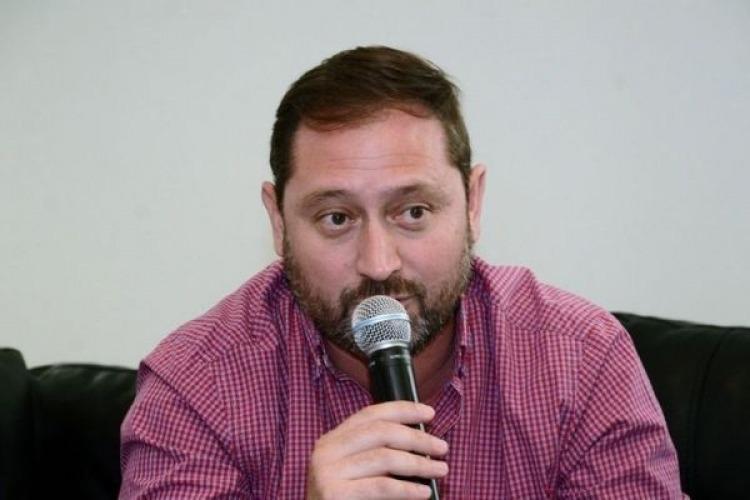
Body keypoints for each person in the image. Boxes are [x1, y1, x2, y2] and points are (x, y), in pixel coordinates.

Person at [119, 46, 683, 499]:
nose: (378, 263)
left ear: (473, 203)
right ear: (278, 220)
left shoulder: (582, 358)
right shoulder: (196, 385)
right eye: (336, 218)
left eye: (413, 212)